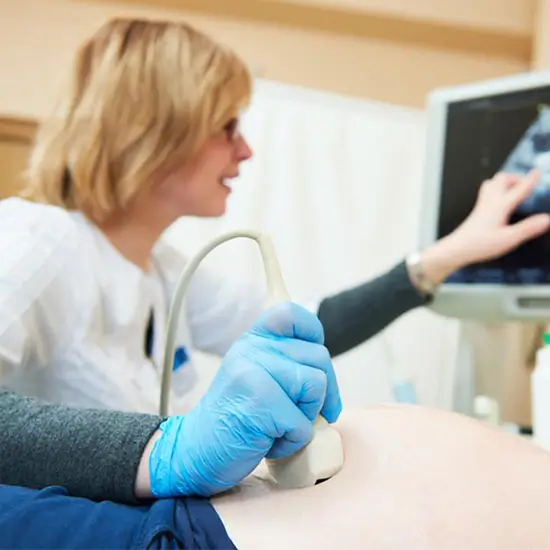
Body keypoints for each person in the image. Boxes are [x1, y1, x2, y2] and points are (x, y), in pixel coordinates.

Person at [0, 17, 549, 414]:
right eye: (226, 128)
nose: (245, 151)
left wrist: (451, 253)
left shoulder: (165, 274)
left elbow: (314, 326)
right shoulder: (39, 241)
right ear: (153, 131)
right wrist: (155, 456)